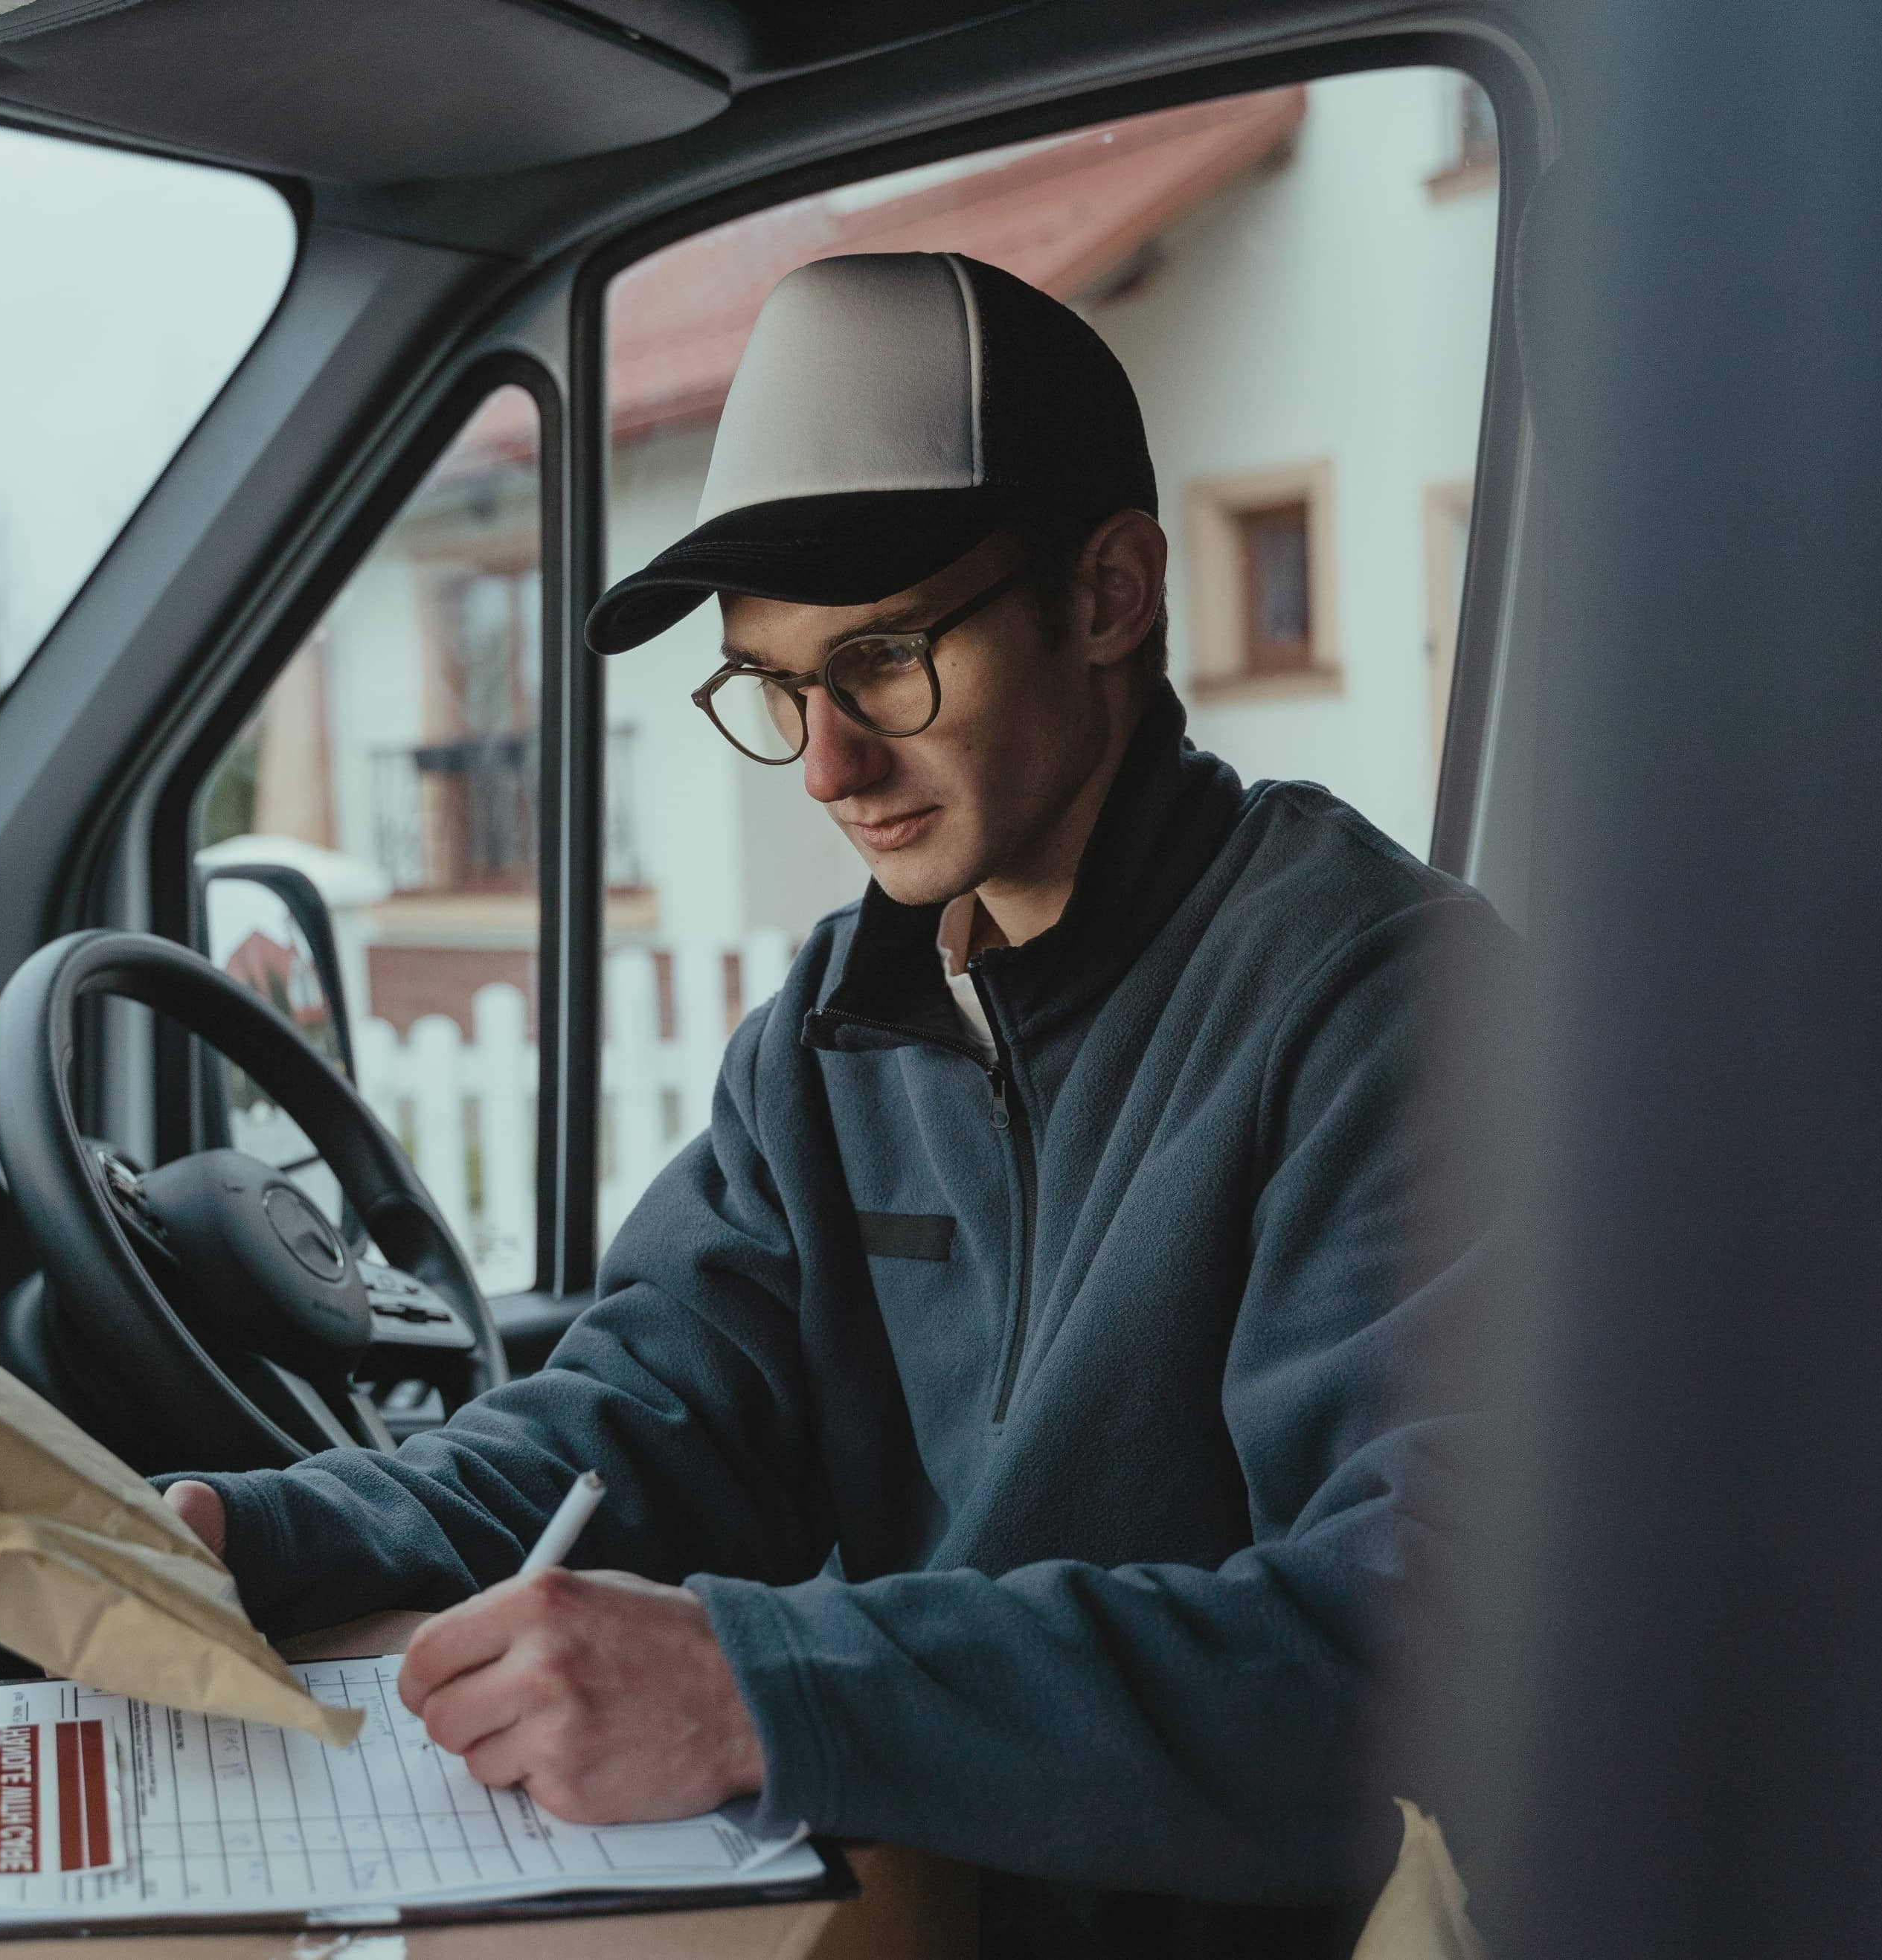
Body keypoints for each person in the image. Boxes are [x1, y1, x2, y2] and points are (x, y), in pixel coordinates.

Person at [164, 251, 1520, 1956]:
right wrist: (253, 1530)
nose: (825, 764)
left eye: (882, 660)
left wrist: (764, 1690)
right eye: (775, 688)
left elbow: (1414, 1655)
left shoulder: (1383, 1007)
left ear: (1110, 594)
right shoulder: (831, 1024)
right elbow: (638, 1416)